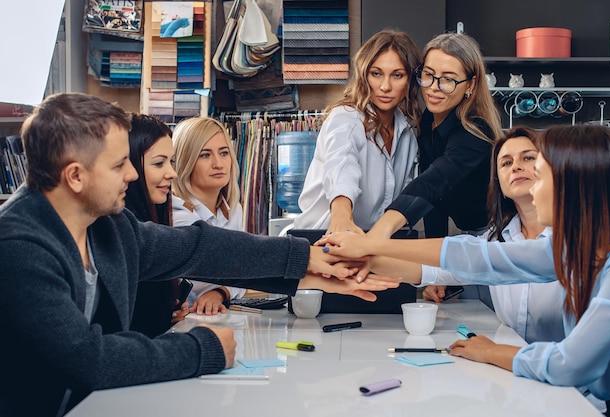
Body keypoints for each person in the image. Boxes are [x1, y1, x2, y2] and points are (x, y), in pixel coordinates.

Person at [0, 92, 401, 417]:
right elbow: (89, 358)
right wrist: (203, 349)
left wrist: (308, 263)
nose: (133, 175)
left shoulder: (108, 226)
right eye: (120, 164)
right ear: (75, 176)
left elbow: (199, 247)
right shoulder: (20, 248)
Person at [319, 124, 610, 415]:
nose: (533, 186)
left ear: (574, 185)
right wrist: (368, 250)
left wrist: (492, 352)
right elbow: (477, 257)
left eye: (540, 175)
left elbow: (568, 364)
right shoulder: (569, 250)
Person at [361, 32, 502, 308]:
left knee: (494, 322)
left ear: (470, 85)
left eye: (448, 80)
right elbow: (434, 201)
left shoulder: (476, 133)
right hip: (467, 239)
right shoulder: (428, 123)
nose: (434, 88)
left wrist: (379, 233)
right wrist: (434, 268)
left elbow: (436, 181)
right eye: (428, 75)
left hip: (497, 241)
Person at [421, 127, 564, 344]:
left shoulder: (578, 240)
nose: (516, 166)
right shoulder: (494, 239)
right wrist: (365, 256)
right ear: (498, 182)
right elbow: (437, 267)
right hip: (513, 372)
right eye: (506, 163)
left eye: (528, 158)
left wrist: (491, 352)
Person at [293, 28, 421, 233]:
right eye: (376, 74)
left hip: (369, 244)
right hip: (322, 238)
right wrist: (342, 218)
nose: (385, 86)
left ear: (410, 80)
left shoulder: (407, 133)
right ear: (364, 75)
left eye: (397, 75)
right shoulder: (346, 118)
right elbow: (342, 166)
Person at [171, 116, 247, 315]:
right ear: (185, 161)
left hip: (218, 320)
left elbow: (244, 272)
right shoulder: (178, 216)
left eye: (223, 153)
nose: (218, 164)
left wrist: (221, 292)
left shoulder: (233, 210)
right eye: (205, 155)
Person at [125, 113, 190, 337]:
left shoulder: (153, 218)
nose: (171, 173)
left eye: (170, 162)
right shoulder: (124, 232)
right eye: (159, 163)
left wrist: (165, 312)